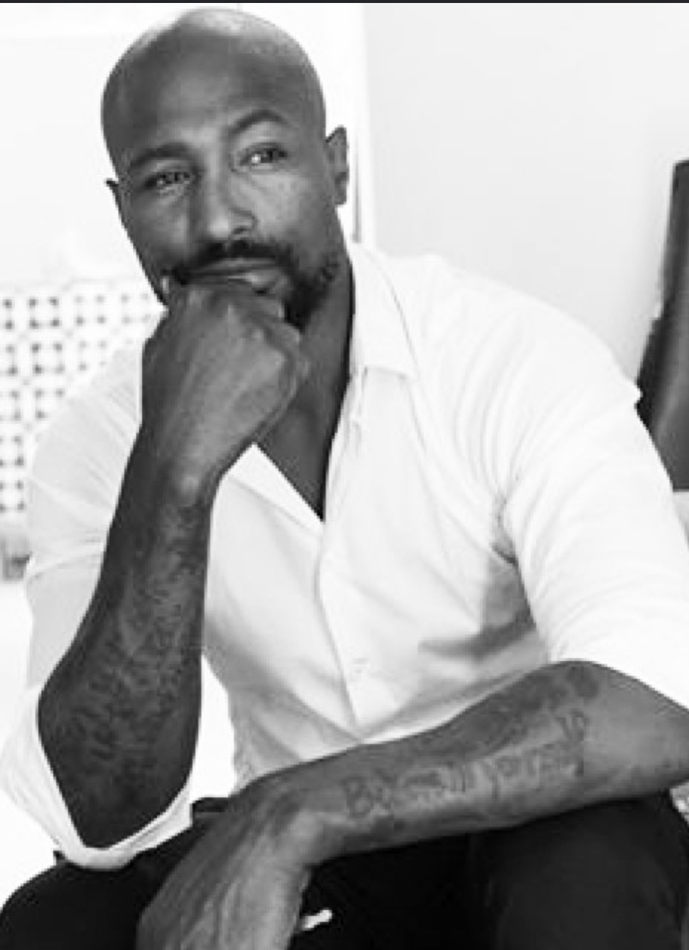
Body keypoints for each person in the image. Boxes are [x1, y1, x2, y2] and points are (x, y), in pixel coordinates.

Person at [2, 6, 689, 949]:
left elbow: (655, 699)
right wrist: (174, 469)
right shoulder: (98, 437)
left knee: (588, 869)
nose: (220, 219)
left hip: (528, 829)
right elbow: (93, 816)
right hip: (322, 879)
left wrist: (292, 812)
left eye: (261, 156)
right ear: (123, 210)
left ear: (335, 167)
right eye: (168, 178)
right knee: (54, 926)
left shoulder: (509, 360)